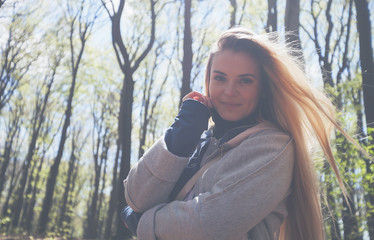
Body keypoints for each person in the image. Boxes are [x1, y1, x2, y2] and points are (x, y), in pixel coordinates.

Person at [121, 27, 355, 240]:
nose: (230, 91)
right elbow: (136, 196)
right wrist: (181, 133)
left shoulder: (272, 146)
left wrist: (142, 221)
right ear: (208, 80)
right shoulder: (199, 137)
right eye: (220, 78)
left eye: (245, 81)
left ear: (262, 89)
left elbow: (210, 222)